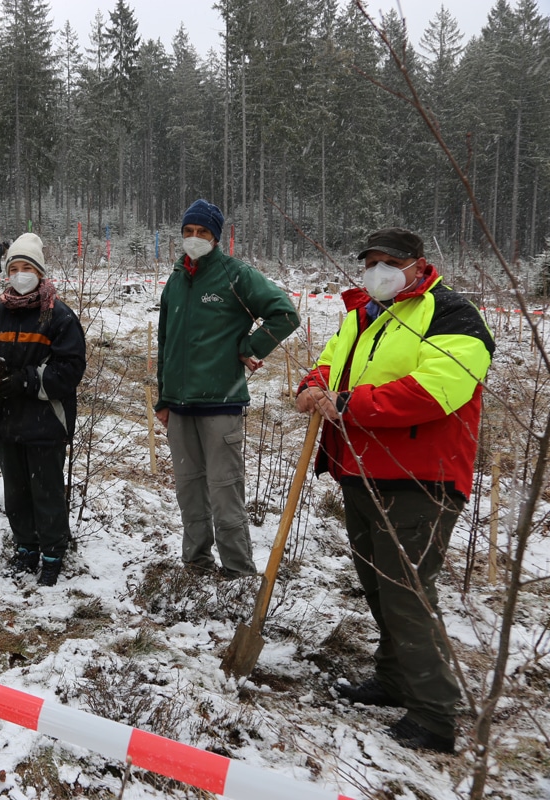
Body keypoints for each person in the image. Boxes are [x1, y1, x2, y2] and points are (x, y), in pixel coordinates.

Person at [297, 227, 493, 754]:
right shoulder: (362, 314)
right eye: (371, 261)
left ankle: (434, 713)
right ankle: (393, 678)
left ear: (418, 264)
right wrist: (313, 384)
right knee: (379, 586)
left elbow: (438, 388)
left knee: (408, 595)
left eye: (390, 262)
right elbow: (334, 360)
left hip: (419, 480)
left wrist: (349, 403)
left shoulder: (452, 314)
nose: (378, 270)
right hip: (361, 471)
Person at [155, 199, 299, 578]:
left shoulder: (235, 275)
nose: (194, 238)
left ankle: (237, 571)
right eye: (188, 231)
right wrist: (163, 398)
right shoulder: (176, 278)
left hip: (220, 404)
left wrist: (249, 348)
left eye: (202, 232)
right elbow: (165, 340)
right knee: (189, 490)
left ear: (216, 237)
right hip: (180, 408)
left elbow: (285, 313)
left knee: (224, 490)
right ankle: (196, 563)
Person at [0, 233, 86, 587]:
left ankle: (53, 553)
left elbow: (69, 369)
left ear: (40, 272)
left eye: (27, 268)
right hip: (7, 422)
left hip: (46, 422)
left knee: (46, 490)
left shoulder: (58, 316)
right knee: (16, 491)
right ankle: (25, 549)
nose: (20, 275)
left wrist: (25, 382)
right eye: (14, 268)